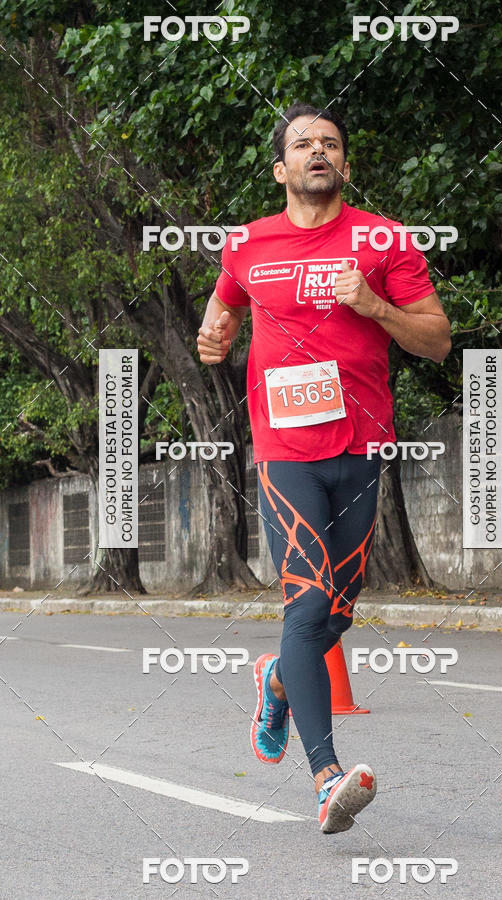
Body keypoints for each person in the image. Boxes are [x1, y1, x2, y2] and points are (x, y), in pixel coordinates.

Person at [197, 102, 451, 834]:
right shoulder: (245, 245)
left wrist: (373, 304)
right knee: (306, 607)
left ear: (344, 164)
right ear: (281, 169)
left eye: (330, 143)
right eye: (302, 144)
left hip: (361, 445)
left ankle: (278, 675)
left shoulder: (383, 239)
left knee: (339, 607)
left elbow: (435, 340)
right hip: (285, 451)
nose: (318, 151)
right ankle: (326, 778)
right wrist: (215, 337)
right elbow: (225, 314)